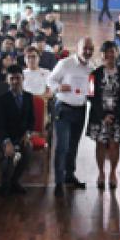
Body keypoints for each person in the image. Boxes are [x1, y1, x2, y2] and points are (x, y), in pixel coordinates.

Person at [47, 36, 94, 197]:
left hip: (80, 110)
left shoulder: (91, 67)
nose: (87, 52)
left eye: (90, 49)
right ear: (77, 48)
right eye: (85, 48)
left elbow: (91, 88)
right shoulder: (65, 63)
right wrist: (59, 87)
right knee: (62, 146)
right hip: (64, 109)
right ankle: (59, 181)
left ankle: (69, 175)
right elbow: (50, 80)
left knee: (73, 145)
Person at [87, 42, 120, 190]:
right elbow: (91, 96)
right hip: (99, 116)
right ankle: (101, 173)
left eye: (112, 52)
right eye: (106, 52)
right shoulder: (93, 74)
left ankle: (113, 173)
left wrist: (114, 114)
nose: (109, 55)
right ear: (102, 55)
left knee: (114, 144)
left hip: (118, 116)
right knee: (100, 144)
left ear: (117, 54)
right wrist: (103, 115)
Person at [0, 65, 35, 196]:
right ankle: (5, 184)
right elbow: (0, 125)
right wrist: (6, 142)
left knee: (28, 150)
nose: (15, 81)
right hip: (6, 136)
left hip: (22, 136)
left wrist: (28, 134)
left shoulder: (29, 97)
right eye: (11, 79)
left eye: (17, 78)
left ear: (23, 78)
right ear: (7, 80)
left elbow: (32, 120)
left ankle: (15, 181)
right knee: (10, 154)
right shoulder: (1, 99)